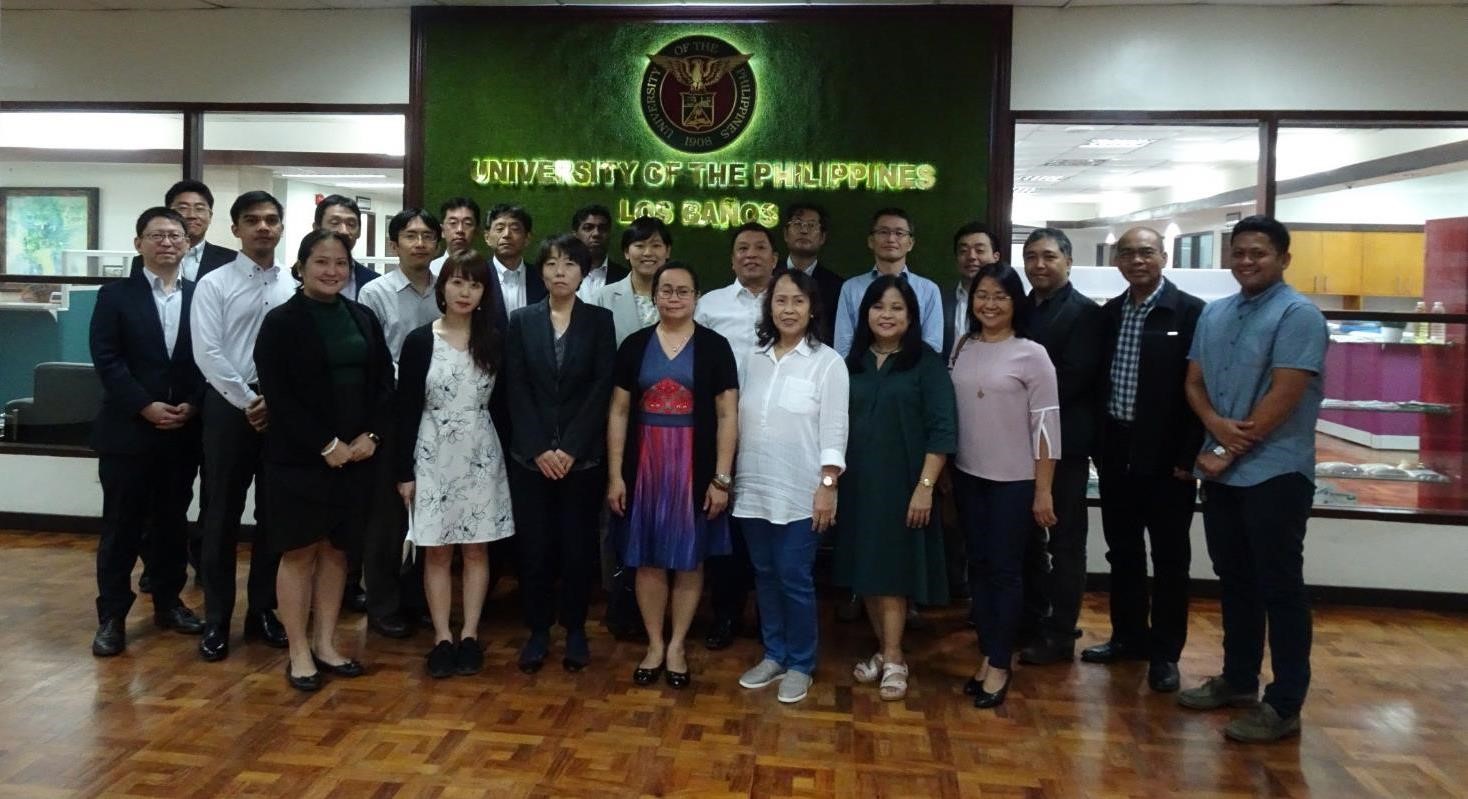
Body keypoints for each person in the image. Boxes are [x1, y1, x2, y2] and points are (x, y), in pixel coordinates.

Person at [1179, 216, 1327, 744]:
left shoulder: (1298, 314)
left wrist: (1224, 448)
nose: (1246, 262)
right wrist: (1215, 429)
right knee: (1235, 582)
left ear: (1283, 258)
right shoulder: (1215, 313)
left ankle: (1285, 703)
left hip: (1275, 474)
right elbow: (1193, 382)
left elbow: (1285, 395)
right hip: (1221, 474)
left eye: (1258, 253)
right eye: (1239, 253)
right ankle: (1239, 679)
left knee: (1280, 588)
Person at [254, 230, 394, 691]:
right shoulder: (281, 322)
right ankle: (298, 651)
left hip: (357, 457)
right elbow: (279, 395)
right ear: (301, 267)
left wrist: (372, 434)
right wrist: (325, 443)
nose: (332, 271)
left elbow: (382, 384)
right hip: (298, 460)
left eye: (340, 264)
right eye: (321, 263)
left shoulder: (362, 316)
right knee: (299, 552)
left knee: (337, 551)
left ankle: (327, 642)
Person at [1084, 226, 1205, 694]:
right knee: (1124, 553)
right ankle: (1128, 638)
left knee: (1171, 558)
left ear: (1163, 256)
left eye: (1146, 252)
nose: (1137, 260)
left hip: (1169, 459)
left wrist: (1188, 454)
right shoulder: (1111, 313)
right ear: (1117, 260)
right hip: (1117, 452)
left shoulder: (1191, 312)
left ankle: (1165, 654)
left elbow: (1201, 387)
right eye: (1128, 253)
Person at [607, 262, 739, 690]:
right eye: (666, 290)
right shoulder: (634, 345)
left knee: (688, 559)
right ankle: (654, 644)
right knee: (647, 559)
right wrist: (615, 475)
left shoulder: (716, 347)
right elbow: (619, 412)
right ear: (654, 296)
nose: (674, 298)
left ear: (696, 297)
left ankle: (679, 644)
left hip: (692, 468)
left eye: (683, 291)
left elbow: (727, 415)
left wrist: (721, 478)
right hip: (644, 466)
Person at [89, 207, 207, 656]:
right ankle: (112, 616)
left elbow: (208, 356)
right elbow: (107, 359)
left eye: (175, 235)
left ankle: (168, 602)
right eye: (156, 235)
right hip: (127, 432)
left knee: (172, 523)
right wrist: (144, 405)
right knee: (121, 525)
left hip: (182, 430)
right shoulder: (114, 295)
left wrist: (192, 403)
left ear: (187, 243)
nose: (167, 243)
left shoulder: (200, 295)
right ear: (138, 243)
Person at [833, 274, 956, 702]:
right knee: (864, 569)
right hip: (856, 486)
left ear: (911, 316)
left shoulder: (927, 363)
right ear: (865, 313)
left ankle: (894, 656)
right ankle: (885, 654)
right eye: (878, 307)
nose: (886, 315)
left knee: (892, 573)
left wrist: (925, 487)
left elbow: (943, 430)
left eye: (897, 308)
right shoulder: (849, 363)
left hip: (904, 483)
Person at [396, 251, 516, 679]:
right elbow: (405, 409)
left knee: (477, 547)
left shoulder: (495, 341)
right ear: (443, 286)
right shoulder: (419, 340)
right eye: (457, 282)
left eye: (475, 284)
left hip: (481, 452)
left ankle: (469, 633)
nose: (465, 292)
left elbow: (505, 408)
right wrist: (403, 472)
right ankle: (442, 637)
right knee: (437, 550)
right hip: (431, 452)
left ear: (485, 293)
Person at [733, 269, 848, 704]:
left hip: (802, 492)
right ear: (770, 307)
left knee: (794, 577)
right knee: (764, 575)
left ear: (812, 307)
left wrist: (827, 484)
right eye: (780, 300)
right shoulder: (753, 357)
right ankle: (774, 653)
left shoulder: (828, 362)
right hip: (754, 487)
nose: (788, 309)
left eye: (797, 301)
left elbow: (835, 431)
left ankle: (801, 662)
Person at [949, 263, 1060, 709]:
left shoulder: (1032, 354)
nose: (989, 304)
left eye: (1000, 296)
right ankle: (987, 654)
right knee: (977, 568)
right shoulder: (964, 345)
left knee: (1006, 572)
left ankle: (999, 662)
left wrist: (1043, 490)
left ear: (1016, 302)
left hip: (1014, 482)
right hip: (968, 475)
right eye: (982, 295)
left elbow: (1047, 428)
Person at [190, 190, 294, 662]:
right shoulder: (214, 284)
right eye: (252, 220)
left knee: (275, 517)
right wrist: (250, 399)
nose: (263, 228)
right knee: (220, 517)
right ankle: (216, 619)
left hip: (282, 414)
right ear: (234, 229)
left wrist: (275, 400)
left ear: (281, 227)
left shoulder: (294, 285)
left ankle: (263, 612)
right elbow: (207, 352)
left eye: (271, 220)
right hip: (229, 411)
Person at [504, 234, 616, 673]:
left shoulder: (599, 321)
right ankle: (536, 630)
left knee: (577, 548)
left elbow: (601, 388)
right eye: (551, 264)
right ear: (541, 271)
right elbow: (516, 387)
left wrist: (569, 448)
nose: (560, 272)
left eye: (569, 264)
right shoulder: (521, 320)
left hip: (581, 459)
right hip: (529, 460)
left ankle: (574, 630)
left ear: (583, 272)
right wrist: (539, 448)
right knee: (534, 548)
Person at [1017, 227, 1106, 666]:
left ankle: (1060, 632)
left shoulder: (1085, 314)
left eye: (1048, 256)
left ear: (1067, 261)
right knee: (1029, 541)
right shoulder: (1022, 310)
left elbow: (1070, 379)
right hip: (1017, 446)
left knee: (1065, 541)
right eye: (1031, 257)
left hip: (1064, 447)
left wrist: (1015, 402)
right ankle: (1032, 621)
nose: (1039, 265)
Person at [355, 208, 443, 639]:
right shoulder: (376, 293)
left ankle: (418, 599)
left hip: (441, 416)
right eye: (411, 236)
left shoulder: (447, 289)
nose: (420, 243)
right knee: (387, 518)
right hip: (391, 415)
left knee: (431, 512)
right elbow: (373, 361)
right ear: (395, 244)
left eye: (428, 236)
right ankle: (383, 604)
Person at [695, 221, 778, 650]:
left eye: (760, 248)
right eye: (742, 248)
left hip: (774, 432)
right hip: (721, 431)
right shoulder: (709, 304)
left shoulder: (788, 302)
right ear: (731, 259)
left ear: (774, 258)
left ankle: (769, 619)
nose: (751, 255)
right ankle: (725, 613)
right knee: (723, 528)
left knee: (766, 526)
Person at [833, 208, 944, 357]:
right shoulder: (851, 288)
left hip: (912, 377)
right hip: (862, 376)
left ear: (910, 243)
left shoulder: (929, 290)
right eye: (883, 232)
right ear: (871, 241)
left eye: (899, 233)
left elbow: (933, 347)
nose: (891, 239)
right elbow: (843, 347)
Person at [128, 180, 236, 282]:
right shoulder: (144, 260)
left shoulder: (232, 260)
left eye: (199, 209)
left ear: (210, 216)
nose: (191, 215)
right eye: (183, 208)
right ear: (168, 214)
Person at [775, 202, 844, 346]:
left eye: (812, 225)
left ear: (823, 237)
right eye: (797, 224)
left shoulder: (837, 286)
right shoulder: (769, 277)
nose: (804, 231)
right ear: (786, 234)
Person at [596, 216, 673, 344]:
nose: (648, 252)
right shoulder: (603, 298)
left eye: (656, 245)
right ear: (626, 252)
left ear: (667, 251)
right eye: (639, 245)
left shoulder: (684, 298)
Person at [313, 194, 380, 302]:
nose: (343, 231)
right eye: (335, 223)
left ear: (359, 232)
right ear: (316, 228)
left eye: (351, 224)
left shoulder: (375, 282)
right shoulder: (295, 280)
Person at [483, 203, 543, 316]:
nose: (506, 234)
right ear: (487, 237)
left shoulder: (542, 277)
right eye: (500, 229)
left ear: (527, 238)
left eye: (515, 229)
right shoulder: (478, 276)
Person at [572, 204, 628, 301]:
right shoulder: (560, 275)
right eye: (588, 228)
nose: (596, 234)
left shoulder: (625, 278)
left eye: (602, 228)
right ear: (575, 235)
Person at [430, 197, 481, 272]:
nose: (460, 230)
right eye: (453, 223)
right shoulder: (430, 270)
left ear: (477, 231)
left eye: (467, 224)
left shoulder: (486, 271)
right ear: (442, 231)